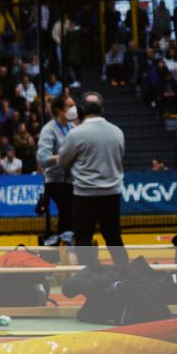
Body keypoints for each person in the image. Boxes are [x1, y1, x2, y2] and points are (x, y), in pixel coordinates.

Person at [54, 92, 127, 266]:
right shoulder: (117, 131)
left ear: (80, 111)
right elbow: (119, 157)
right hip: (112, 193)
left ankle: (89, 278)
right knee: (113, 236)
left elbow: (62, 162)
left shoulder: (76, 134)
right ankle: (126, 275)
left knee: (84, 237)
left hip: (85, 194)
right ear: (102, 109)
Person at [36, 96, 76, 247]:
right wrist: (64, 157)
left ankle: (65, 241)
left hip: (72, 180)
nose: (74, 109)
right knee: (67, 213)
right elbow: (43, 158)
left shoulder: (72, 128)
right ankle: (57, 243)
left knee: (70, 216)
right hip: (55, 181)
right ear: (59, 110)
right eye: (69, 106)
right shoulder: (49, 130)